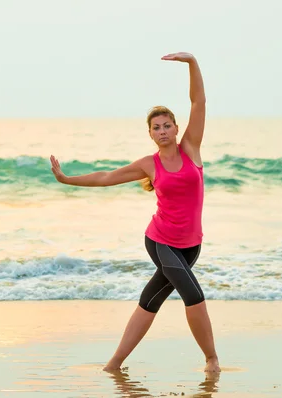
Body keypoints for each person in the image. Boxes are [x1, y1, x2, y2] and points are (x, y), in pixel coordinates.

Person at [49, 52, 220, 374]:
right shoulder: (147, 165)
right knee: (193, 296)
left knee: (150, 301)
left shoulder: (191, 149)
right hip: (161, 240)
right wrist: (67, 179)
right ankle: (212, 360)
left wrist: (193, 63)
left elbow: (199, 103)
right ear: (151, 134)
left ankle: (114, 364)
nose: (163, 130)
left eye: (167, 125)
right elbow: (104, 178)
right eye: (157, 127)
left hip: (191, 244)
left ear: (176, 127)